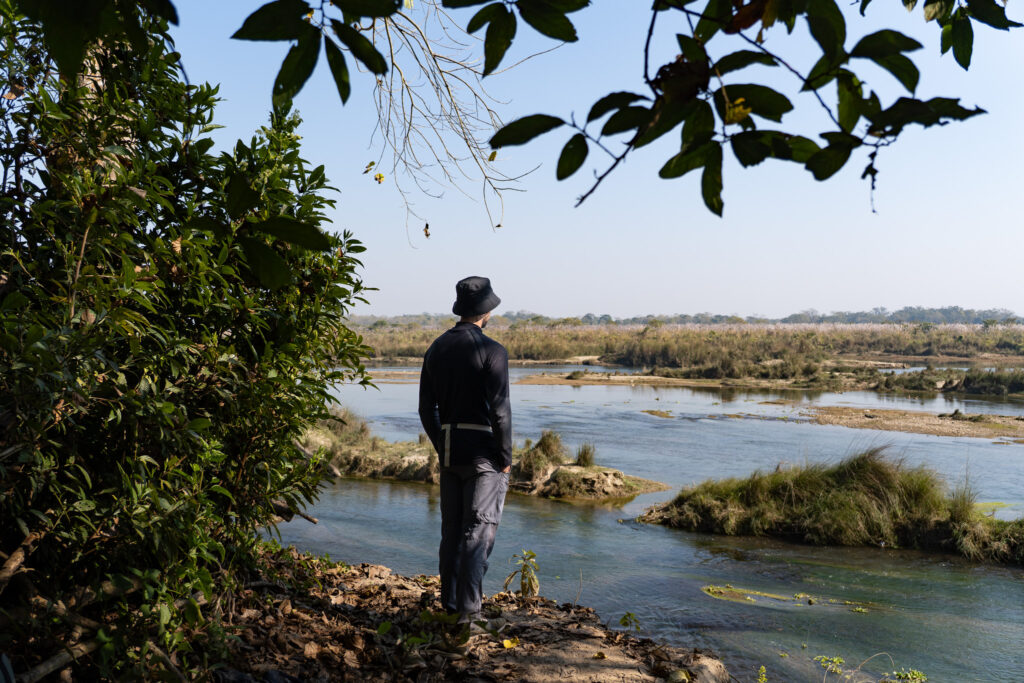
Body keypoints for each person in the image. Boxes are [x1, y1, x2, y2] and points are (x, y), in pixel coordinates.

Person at [418, 276, 512, 624]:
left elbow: (426, 410)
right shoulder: (493, 351)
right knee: (478, 530)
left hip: (451, 452)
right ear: (486, 312)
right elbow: (500, 411)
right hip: (484, 454)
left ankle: (451, 606)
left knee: (452, 531)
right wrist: (505, 458)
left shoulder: (436, 348)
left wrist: (442, 446)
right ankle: (469, 614)